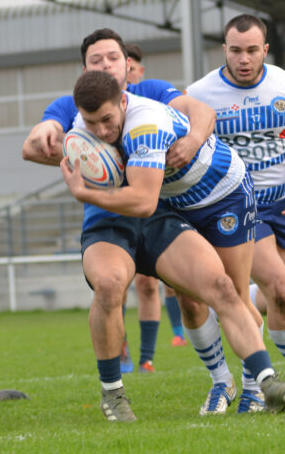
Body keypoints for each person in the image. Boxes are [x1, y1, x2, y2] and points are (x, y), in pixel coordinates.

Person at [23, 29, 285, 419]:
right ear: (83, 70)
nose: (101, 132)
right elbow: (35, 143)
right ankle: (122, 393)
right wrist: (55, 140)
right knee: (116, 286)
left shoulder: (147, 111)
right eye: (96, 60)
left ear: (127, 68)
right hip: (144, 211)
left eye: (113, 58)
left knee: (226, 289)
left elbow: (144, 199)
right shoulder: (75, 111)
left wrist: (87, 189)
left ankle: (265, 384)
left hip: (199, 199)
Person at [185, 14, 285, 410]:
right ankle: (278, 383)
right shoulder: (200, 94)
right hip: (236, 205)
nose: (243, 59)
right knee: (278, 285)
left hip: (283, 204)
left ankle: (236, 299)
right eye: (235, 51)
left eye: (251, 50)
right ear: (224, 50)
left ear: (265, 49)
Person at [125, 42, 187, 359]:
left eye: (131, 67)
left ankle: (178, 333)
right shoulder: (106, 109)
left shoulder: (154, 94)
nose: (126, 73)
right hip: (130, 201)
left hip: (166, 197)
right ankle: (136, 356)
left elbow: (191, 111)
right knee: (140, 283)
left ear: (139, 70)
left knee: (175, 280)